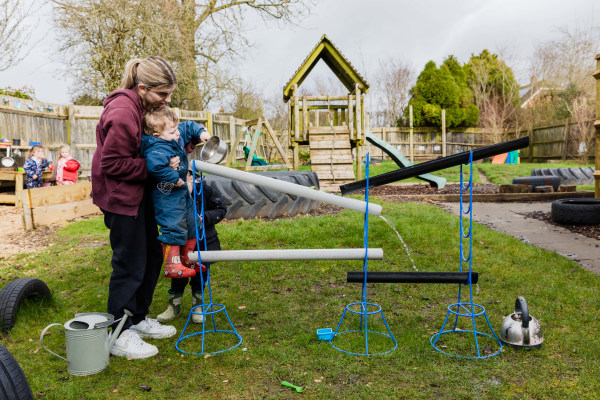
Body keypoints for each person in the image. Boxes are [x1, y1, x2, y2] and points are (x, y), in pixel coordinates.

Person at [91, 56, 209, 359]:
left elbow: (152, 145)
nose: (167, 100)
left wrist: (177, 150)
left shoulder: (142, 108)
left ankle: (138, 319)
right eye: (162, 94)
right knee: (129, 264)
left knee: (151, 258)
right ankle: (118, 332)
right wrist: (157, 166)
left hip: (139, 193)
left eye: (169, 94)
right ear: (142, 87)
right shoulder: (121, 111)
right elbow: (113, 164)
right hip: (120, 198)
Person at [140, 106, 210, 279]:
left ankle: (187, 258)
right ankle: (171, 264)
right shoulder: (156, 147)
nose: (177, 134)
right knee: (174, 226)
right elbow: (154, 167)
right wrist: (173, 177)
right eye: (172, 132)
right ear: (157, 135)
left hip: (181, 192)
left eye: (176, 129)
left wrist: (202, 133)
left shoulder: (173, 136)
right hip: (167, 196)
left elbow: (187, 127)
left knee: (193, 222)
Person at [157, 173, 227, 324]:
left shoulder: (206, 191)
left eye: (191, 177)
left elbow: (221, 208)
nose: (188, 180)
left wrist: (204, 218)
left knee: (199, 276)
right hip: (179, 243)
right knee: (178, 276)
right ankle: (174, 306)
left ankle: (198, 307)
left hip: (203, 243)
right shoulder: (172, 192)